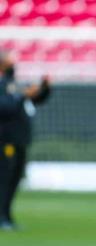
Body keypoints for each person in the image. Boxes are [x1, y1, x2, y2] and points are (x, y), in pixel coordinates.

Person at [0, 52, 50, 231]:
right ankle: (2, 217)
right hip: (6, 142)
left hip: (19, 140)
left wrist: (44, 89)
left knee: (13, 180)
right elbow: (4, 107)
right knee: (5, 179)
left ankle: (6, 216)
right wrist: (23, 96)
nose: (14, 67)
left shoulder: (12, 85)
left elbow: (34, 100)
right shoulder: (3, 85)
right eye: (10, 63)